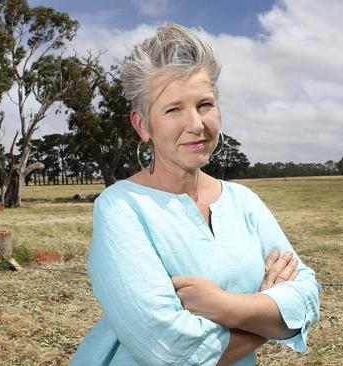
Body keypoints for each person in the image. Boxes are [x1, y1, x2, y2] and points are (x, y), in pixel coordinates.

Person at [70, 23, 321, 366]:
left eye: (205, 104)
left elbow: (308, 294)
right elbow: (170, 349)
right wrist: (270, 319)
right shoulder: (121, 207)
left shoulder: (243, 201)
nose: (196, 124)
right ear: (143, 125)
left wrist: (225, 306)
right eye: (173, 109)